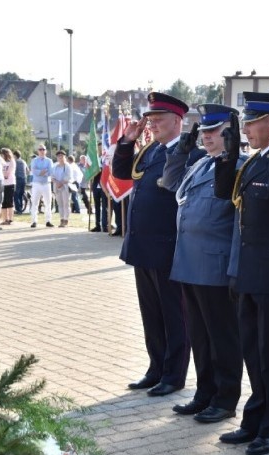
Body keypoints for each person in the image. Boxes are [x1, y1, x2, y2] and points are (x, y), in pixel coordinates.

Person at [212, 92, 269, 455]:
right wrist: (229, 153)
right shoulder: (252, 163)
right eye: (244, 124)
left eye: (251, 123)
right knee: (251, 349)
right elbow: (223, 193)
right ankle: (254, 418)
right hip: (249, 274)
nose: (245, 129)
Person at [111, 92, 202, 397]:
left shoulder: (189, 154)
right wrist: (127, 142)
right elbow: (123, 174)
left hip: (168, 250)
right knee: (151, 314)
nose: (152, 125)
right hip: (143, 248)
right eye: (150, 120)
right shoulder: (150, 150)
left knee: (174, 315)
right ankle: (156, 368)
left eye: (158, 120)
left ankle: (173, 374)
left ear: (177, 121)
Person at [160, 104, 244, 423]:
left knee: (222, 337)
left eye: (214, 131)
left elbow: (238, 224)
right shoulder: (199, 165)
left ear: (230, 133)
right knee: (200, 335)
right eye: (204, 132)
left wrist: (235, 268)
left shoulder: (235, 167)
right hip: (189, 264)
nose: (207, 137)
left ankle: (225, 399)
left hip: (216, 267)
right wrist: (182, 149)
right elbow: (170, 182)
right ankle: (204, 392)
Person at [30, 144, 54, 228]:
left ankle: (48, 221)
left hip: (46, 184)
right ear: (38, 151)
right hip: (36, 183)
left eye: (43, 149)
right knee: (34, 203)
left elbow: (50, 172)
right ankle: (34, 221)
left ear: (46, 151)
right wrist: (42, 172)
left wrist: (41, 172)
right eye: (40, 149)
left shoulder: (49, 161)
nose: (42, 151)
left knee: (48, 203)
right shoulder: (34, 160)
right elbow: (33, 171)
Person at [52, 150, 72, 227]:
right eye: (59, 156)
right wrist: (57, 182)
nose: (60, 157)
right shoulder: (55, 166)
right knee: (60, 204)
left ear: (65, 157)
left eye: (62, 156)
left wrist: (61, 183)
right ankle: (61, 219)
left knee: (66, 203)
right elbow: (52, 176)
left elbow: (68, 177)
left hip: (65, 186)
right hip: (57, 187)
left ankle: (66, 219)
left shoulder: (67, 166)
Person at [0, 148, 16, 226]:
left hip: (10, 183)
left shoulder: (11, 161)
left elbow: (7, 173)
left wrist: (3, 173)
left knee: (9, 201)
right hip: (2, 184)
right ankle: (4, 219)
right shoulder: (1, 162)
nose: (1, 155)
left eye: (2, 154)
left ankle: (10, 219)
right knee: (3, 202)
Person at [13, 150, 28, 214]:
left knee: (16, 195)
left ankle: (18, 209)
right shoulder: (24, 161)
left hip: (17, 179)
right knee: (21, 195)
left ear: (15, 155)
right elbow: (28, 170)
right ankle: (21, 209)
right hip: (24, 179)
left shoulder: (15, 162)